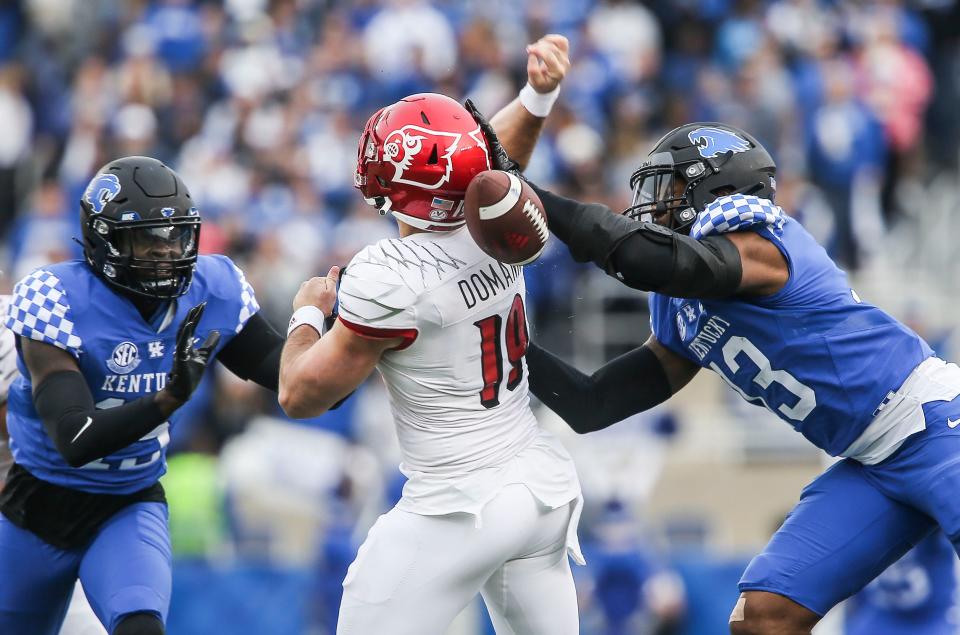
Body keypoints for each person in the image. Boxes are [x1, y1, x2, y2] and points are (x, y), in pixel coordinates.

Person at [503, 122, 960, 634]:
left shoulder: (768, 242)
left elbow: (645, 258)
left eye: (672, 191)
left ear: (717, 190)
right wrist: (506, 341)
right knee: (763, 618)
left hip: (936, 426)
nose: (656, 209)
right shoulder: (679, 307)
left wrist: (528, 196)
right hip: (870, 462)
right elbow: (594, 403)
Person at [279, 36, 585, 635]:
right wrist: (537, 97)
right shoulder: (501, 222)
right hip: (536, 487)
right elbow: (493, 162)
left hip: (458, 504)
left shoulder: (391, 275)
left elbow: (299, 394)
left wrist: (307, 315)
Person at [0, 156, 287, 635]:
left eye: (175, 236)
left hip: (127, 504)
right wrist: (167, 400)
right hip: (37, 510)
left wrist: (341, 335)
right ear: (102, 240)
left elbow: (295, 379)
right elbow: (75, 438)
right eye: (147, 240)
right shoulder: (54, 297)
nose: (165, 252)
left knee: (140, 627)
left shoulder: (212, 287)